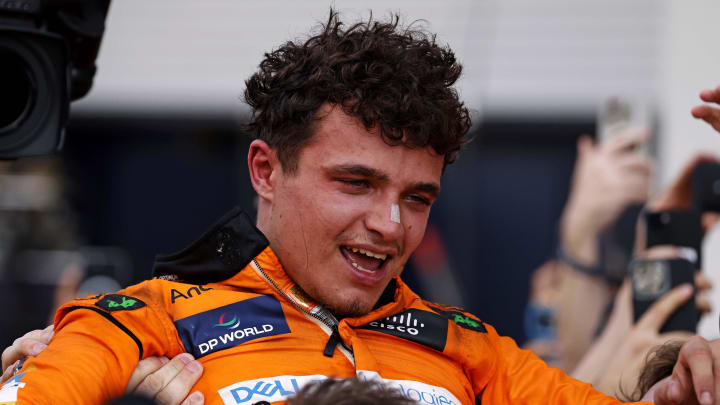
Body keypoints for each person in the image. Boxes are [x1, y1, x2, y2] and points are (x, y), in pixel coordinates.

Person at [2, 10, 720, 405]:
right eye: (357, 182)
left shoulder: (472, 350)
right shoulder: (145, 325)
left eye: (418, 196)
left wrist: (683, 384)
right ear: (266, 170)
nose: (392, 224)